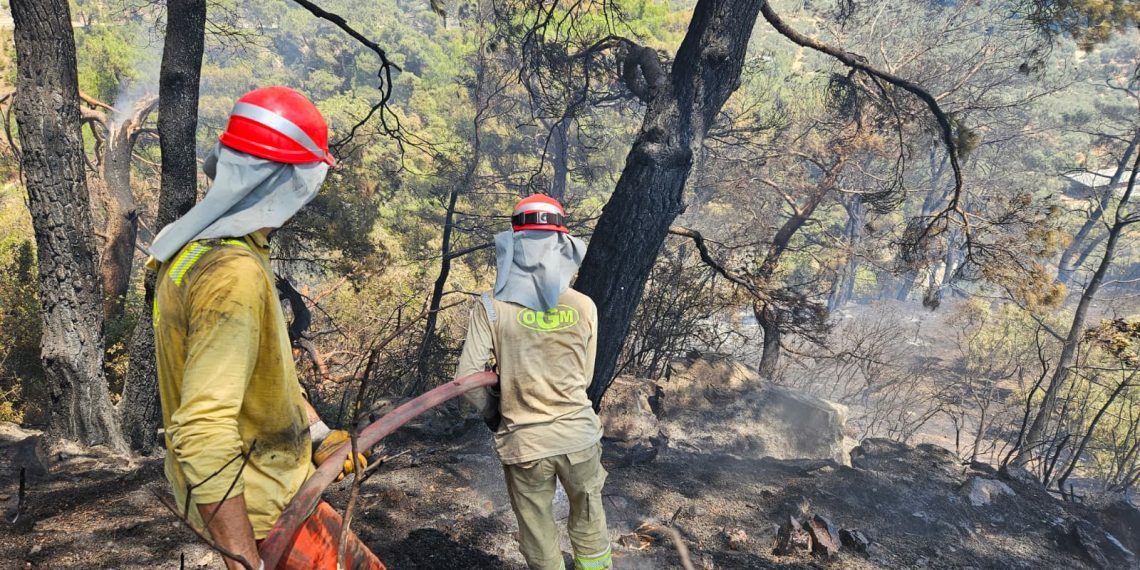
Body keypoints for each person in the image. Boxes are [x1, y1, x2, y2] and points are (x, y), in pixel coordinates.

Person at [149, 86, 384, 570]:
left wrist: (319, 435)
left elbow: (258, 373)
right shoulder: (231, 274)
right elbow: (201, 430)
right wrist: (242, 559)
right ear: (289, 182)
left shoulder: (191, 249)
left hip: (264, 490)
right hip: (259, 511)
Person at [455, 195, 613, 570]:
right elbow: (584, 377)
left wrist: (494, 411)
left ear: (512, 244)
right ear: (562, 244)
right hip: (578, 437)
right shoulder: (583, 306)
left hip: (524, 442)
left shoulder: (491, 305)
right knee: (590, 523)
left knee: (539, 533)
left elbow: (467, 380)